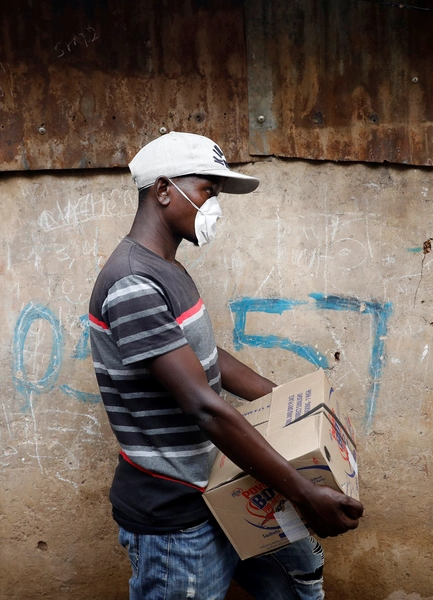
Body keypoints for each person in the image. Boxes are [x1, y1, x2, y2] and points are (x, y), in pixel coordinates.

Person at [88, 132, 364, 600]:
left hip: (217, 490)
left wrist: (294, 407)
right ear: (162, 191)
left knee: (297, 584)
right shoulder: (133, 284)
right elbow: (204, 406)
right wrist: (301, 490)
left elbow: (203, 356)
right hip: (176, 519)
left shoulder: (165, 267)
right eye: (206, 191)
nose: (213, 206)